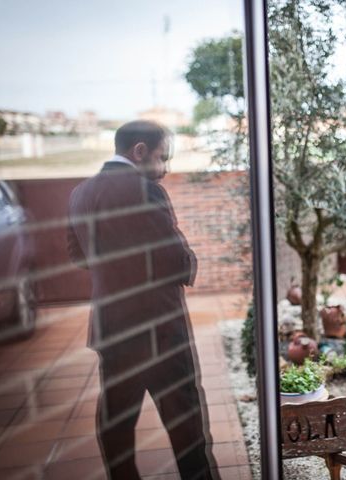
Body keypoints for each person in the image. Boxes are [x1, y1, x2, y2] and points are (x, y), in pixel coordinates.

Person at [67, 120, 219, 479]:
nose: (164, 170)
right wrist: (188, 262)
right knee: (186, 426)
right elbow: (171, 259)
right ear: (139, 152)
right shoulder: (146, 190)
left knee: (117, 423)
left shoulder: (80, 193)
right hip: (160, 331)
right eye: (162, 158)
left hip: (111, 328)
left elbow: (78, 256)